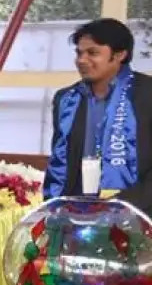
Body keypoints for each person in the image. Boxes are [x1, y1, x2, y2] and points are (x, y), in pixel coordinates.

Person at [44, 17, 152, 212]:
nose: (81, 60)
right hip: (75, 213)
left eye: (92, 53)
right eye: (79, 53)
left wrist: (125, 207)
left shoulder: (146, 94)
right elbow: (59, 163)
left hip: (137, 213)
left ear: (120, 54)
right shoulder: (66, 99)